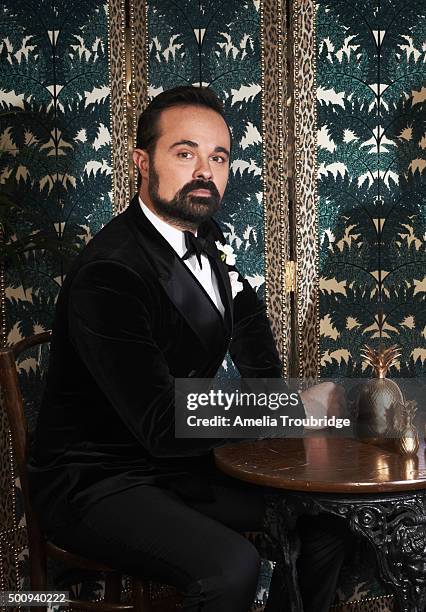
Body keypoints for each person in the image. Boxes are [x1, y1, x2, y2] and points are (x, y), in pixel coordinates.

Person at [29, 86, 349, 611]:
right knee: (231, 568)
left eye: (218, 157)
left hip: (176, 466)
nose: (205, 170)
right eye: (185, 153)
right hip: (95, 480)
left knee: (326, 520)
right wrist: (289, 409)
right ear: (142, 161)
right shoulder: (110, 271)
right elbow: (159, 420)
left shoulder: (211, 238)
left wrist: (295, 406)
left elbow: (259, 365)